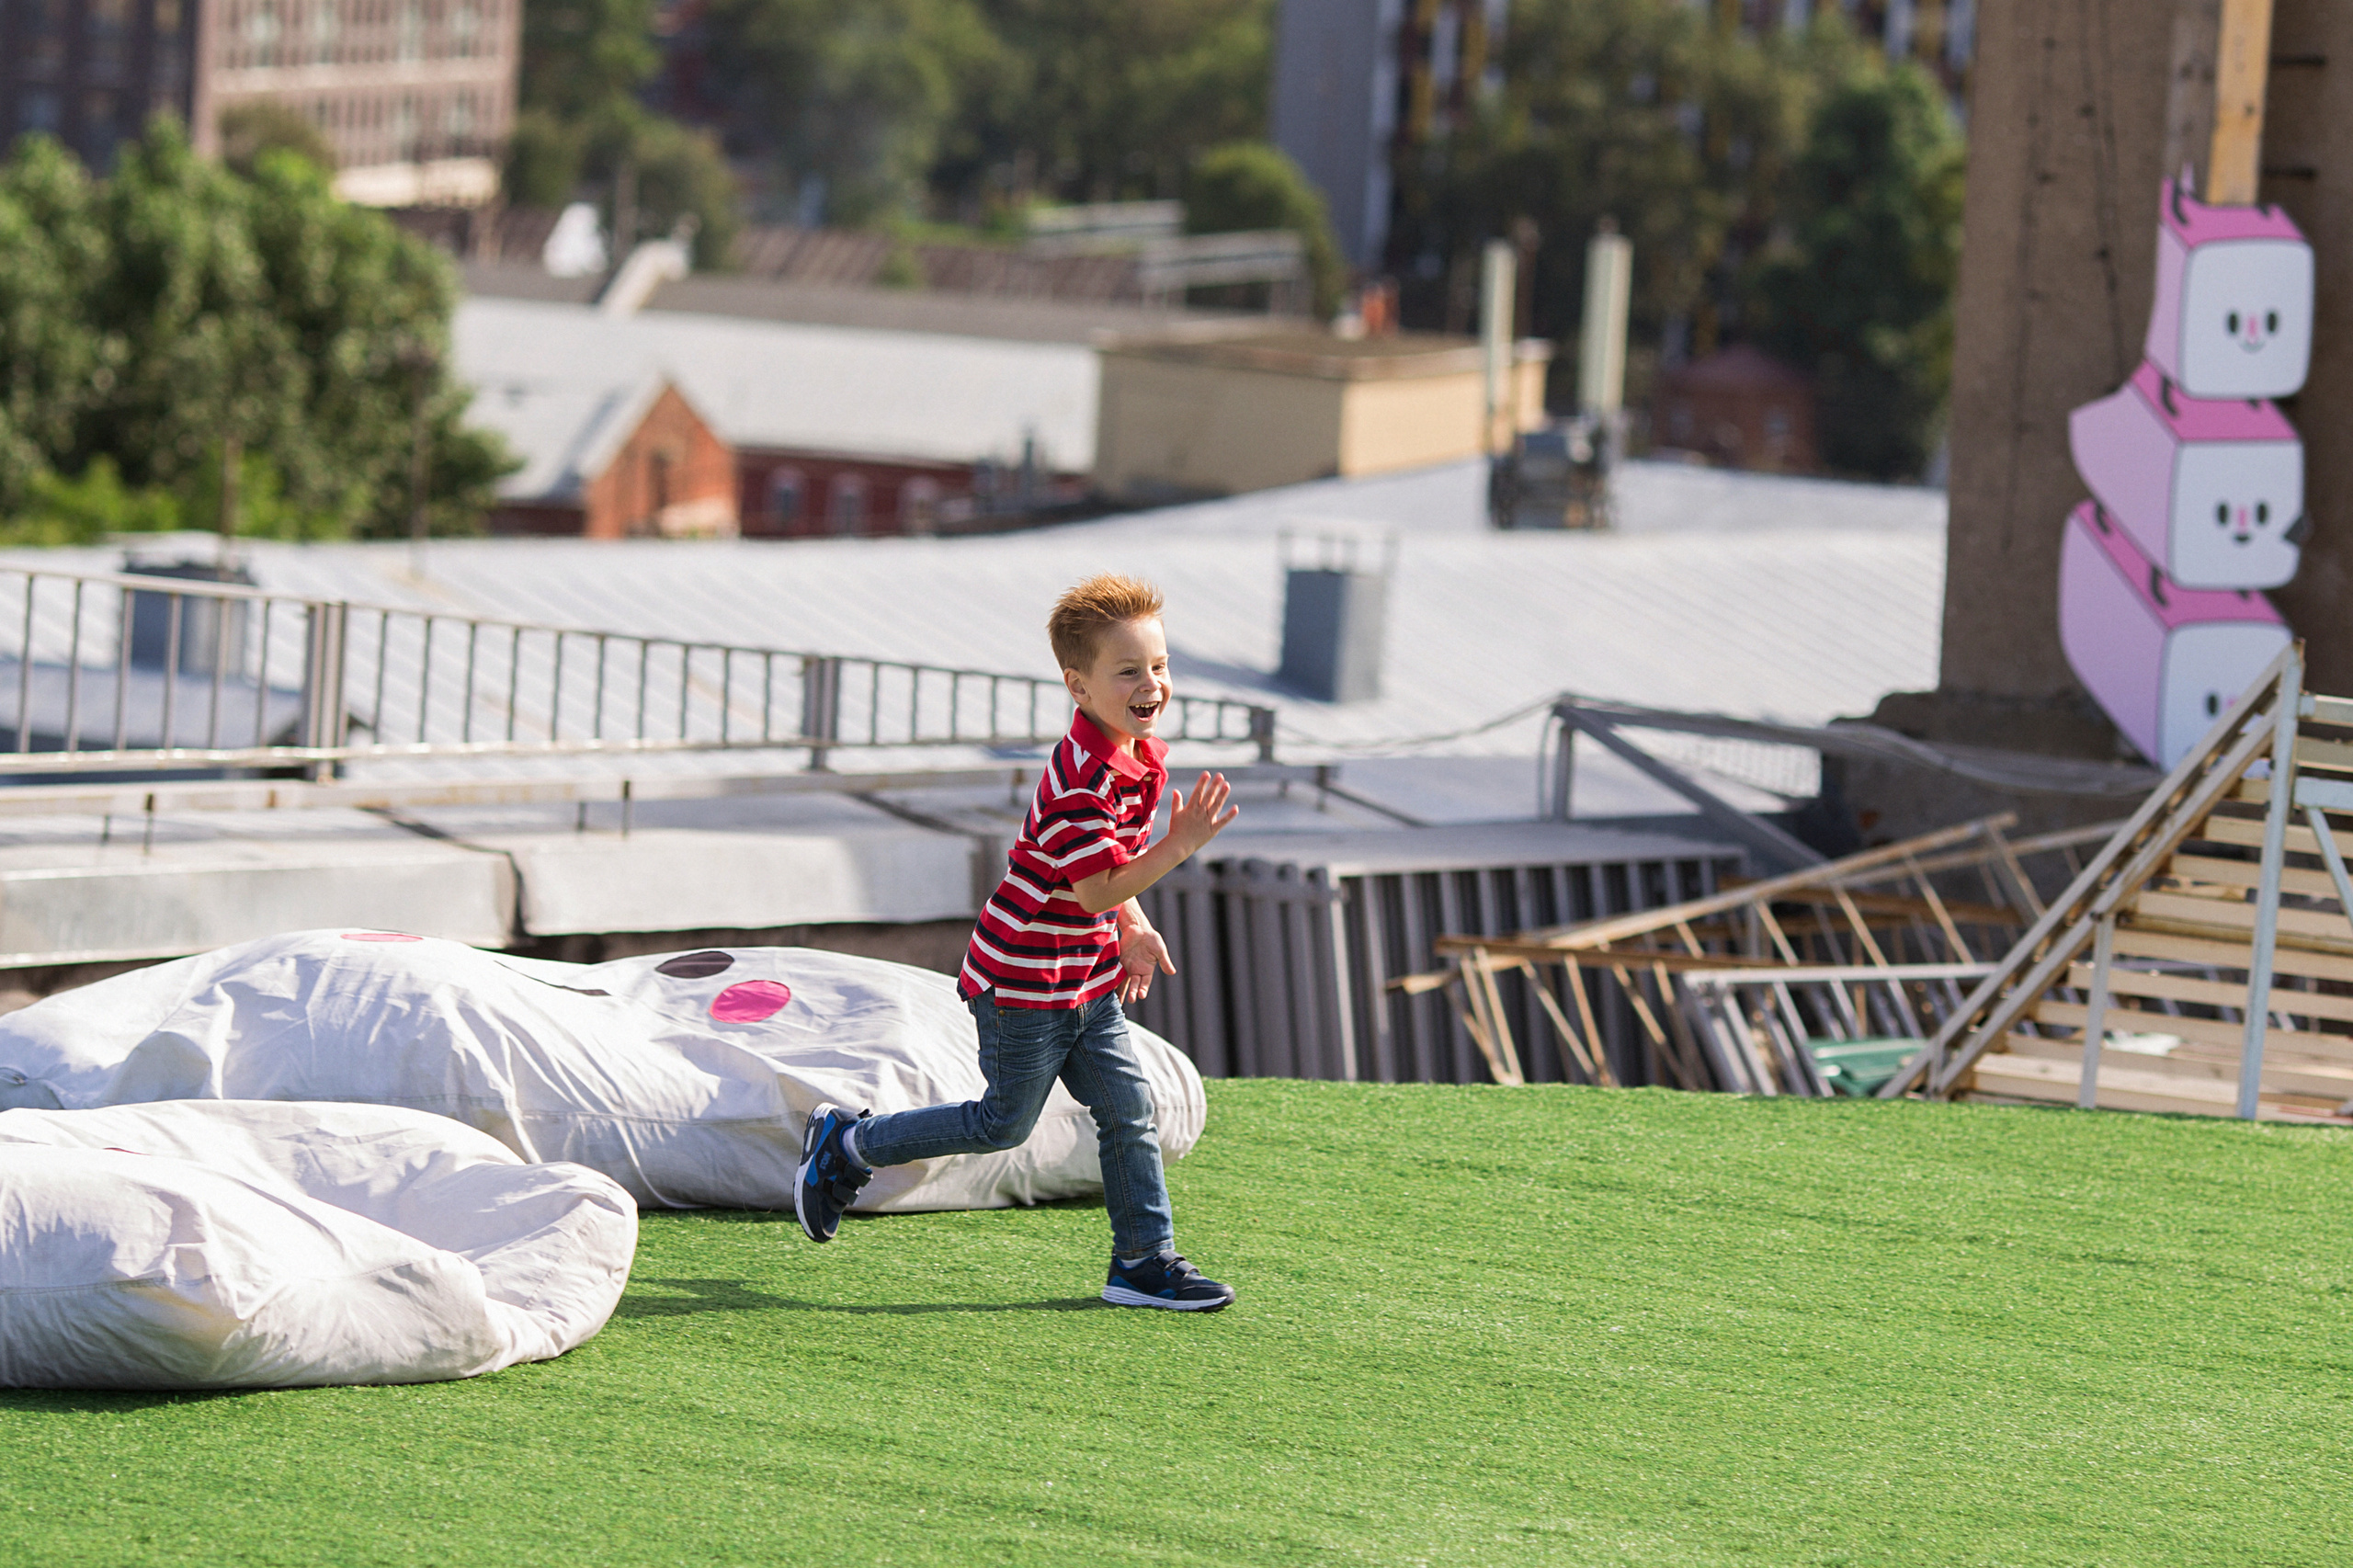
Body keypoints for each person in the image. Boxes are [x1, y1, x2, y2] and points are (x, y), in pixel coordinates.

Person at [793, 574, 1241, 1311]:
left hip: (1085, 977)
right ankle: (849, 1142)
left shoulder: (1140, 757)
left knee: (1131, 1112)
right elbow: (1092, 886)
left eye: (1159, 666)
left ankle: (1142, 1261)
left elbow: (1109, 886)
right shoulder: (1081, 781)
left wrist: (1134, 925)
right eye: (1128, 670)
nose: (1152, 683)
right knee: (1002, 1124)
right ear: (1080, 685)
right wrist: (1180, 845)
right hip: (1023, 983)